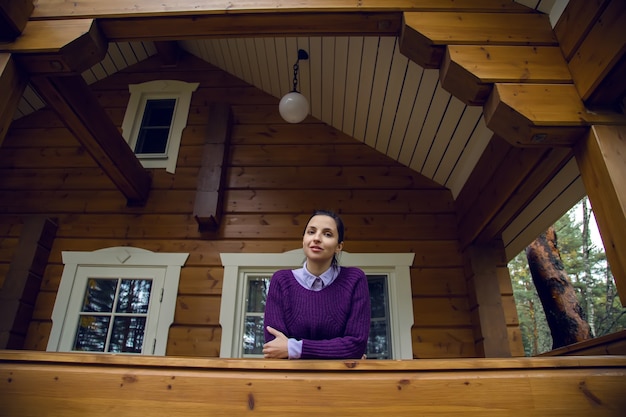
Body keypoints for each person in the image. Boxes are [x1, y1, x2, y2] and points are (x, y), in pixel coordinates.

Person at [263, 210, 370, 359]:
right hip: (290, 380)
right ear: (303, 239)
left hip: (340, 380)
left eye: (327, 234)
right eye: (311, 232)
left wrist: (295, 348)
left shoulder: (354, 280)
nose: (317, 238)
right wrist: (337, 351)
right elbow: (274, 346)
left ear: (339, 246)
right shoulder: (281, 281)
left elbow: (356, 346)